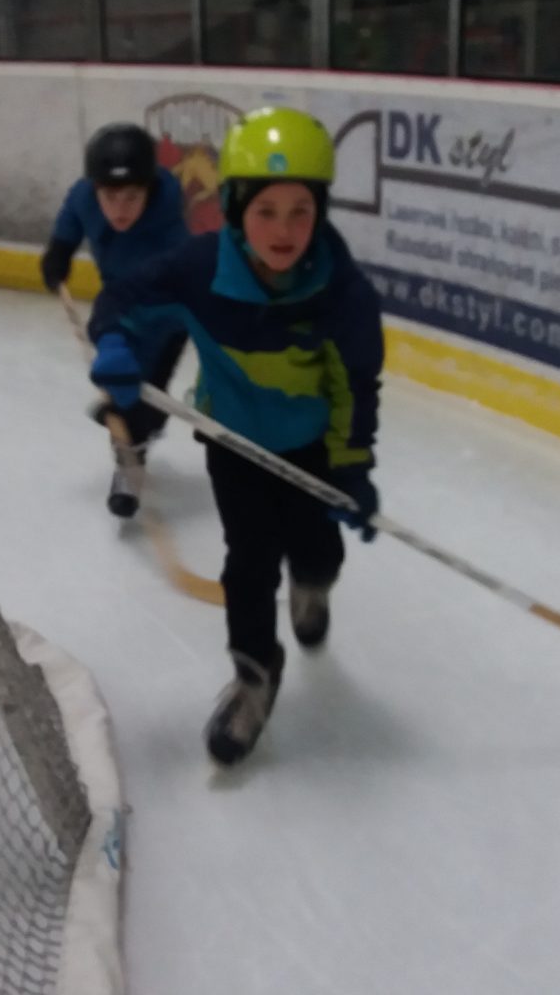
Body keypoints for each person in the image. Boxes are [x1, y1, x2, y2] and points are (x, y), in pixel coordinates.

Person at [86, 107, 384, 767]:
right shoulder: (198, 271)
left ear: (322, 212)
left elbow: (355, 390)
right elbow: (122, 301)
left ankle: (313, 582)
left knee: (317, 552)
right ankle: (254, 675)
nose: (284, 230)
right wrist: (113, 343)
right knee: (248, 561)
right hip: (233, 443)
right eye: (266, 211)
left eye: (300, 212)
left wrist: (353, 470)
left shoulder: (343, 294)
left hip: (310, 450)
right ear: (234, 207)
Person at [40, 123, 190, 517]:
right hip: (118, 303)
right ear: (95, 190)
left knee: (141, 388)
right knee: (127, 389)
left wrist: (114, 340)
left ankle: (132, 455)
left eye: (132, 197)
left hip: (168, 314)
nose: (120, 209)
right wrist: (59, 250)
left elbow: (155, 301)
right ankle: (138, 424)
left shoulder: (168, 230)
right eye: (110, 196)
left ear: (149, 191)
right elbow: (72, 216)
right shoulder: (84, 196)